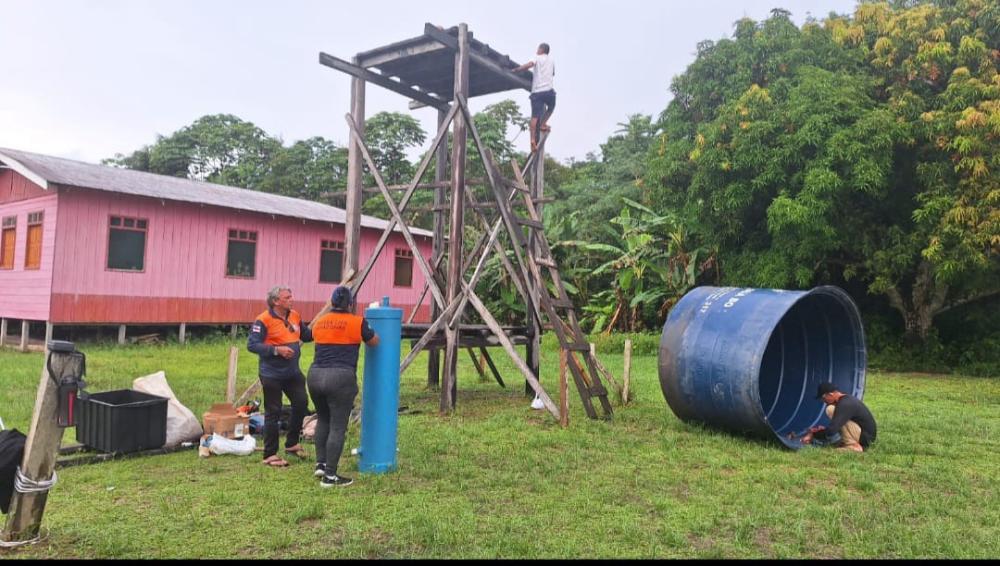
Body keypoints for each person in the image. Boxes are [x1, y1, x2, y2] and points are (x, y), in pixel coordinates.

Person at [305, 285, 379, 487]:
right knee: (338, 426)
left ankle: (321, 464)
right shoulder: (357, 322)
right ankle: (330, 476)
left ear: (332, 302)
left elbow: (310, 336)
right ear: (350, 304)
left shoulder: (321, 321)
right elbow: (374, 342)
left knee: (323, 419)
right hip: (340, 378)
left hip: (315, 376)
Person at [247, 286, 313, 467]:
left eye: (291, 296)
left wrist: (326, 326)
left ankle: (292, 443)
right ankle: (270, 454)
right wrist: (277, 350)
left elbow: (307, 335)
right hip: (271, 374)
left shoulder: (295, 316)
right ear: (276, 301)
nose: (292, 300)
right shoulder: (263, 320)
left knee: (301, 404)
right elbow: (252, 345)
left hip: (292, 373)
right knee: (273, 412)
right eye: (287, 297)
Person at [801, 382, 877, 452]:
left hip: (865, 438)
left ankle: (853, 446)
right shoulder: (845, 400)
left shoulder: (845, 404)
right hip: (864, 434)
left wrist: (813, 434)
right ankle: (849, 442)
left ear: (830, 394)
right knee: (835, 416)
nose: (824, 401)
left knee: (830, 409)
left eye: (824, 398)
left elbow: (831, 431)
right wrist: (823, 430)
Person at [512, 42, 556, 152]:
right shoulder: (551, 60)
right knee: (551, 107)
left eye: (538, 49)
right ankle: (543, 123)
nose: (537, 50)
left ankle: (532, 140)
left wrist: (517, 70)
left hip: (537, 92)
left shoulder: (537, 57)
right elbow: (553, 73)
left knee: (534, 117)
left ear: (541, 49)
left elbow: (529, 65)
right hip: (549, 91)